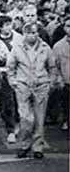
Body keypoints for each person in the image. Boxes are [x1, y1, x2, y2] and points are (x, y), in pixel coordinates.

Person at [6, 20, 60, 158]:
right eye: (29, 33)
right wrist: (13, 82)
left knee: (39, 118)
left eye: (34, 32)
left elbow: (52, 67)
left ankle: (38, 148)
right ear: (24, 34)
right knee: (26, 118)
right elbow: (10, 67)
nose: (32, 36)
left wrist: (51, 83)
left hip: (41, 85)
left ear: (38, 33)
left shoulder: (45, 47)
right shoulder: (17, 47)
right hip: (23, 85)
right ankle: (25, 144)